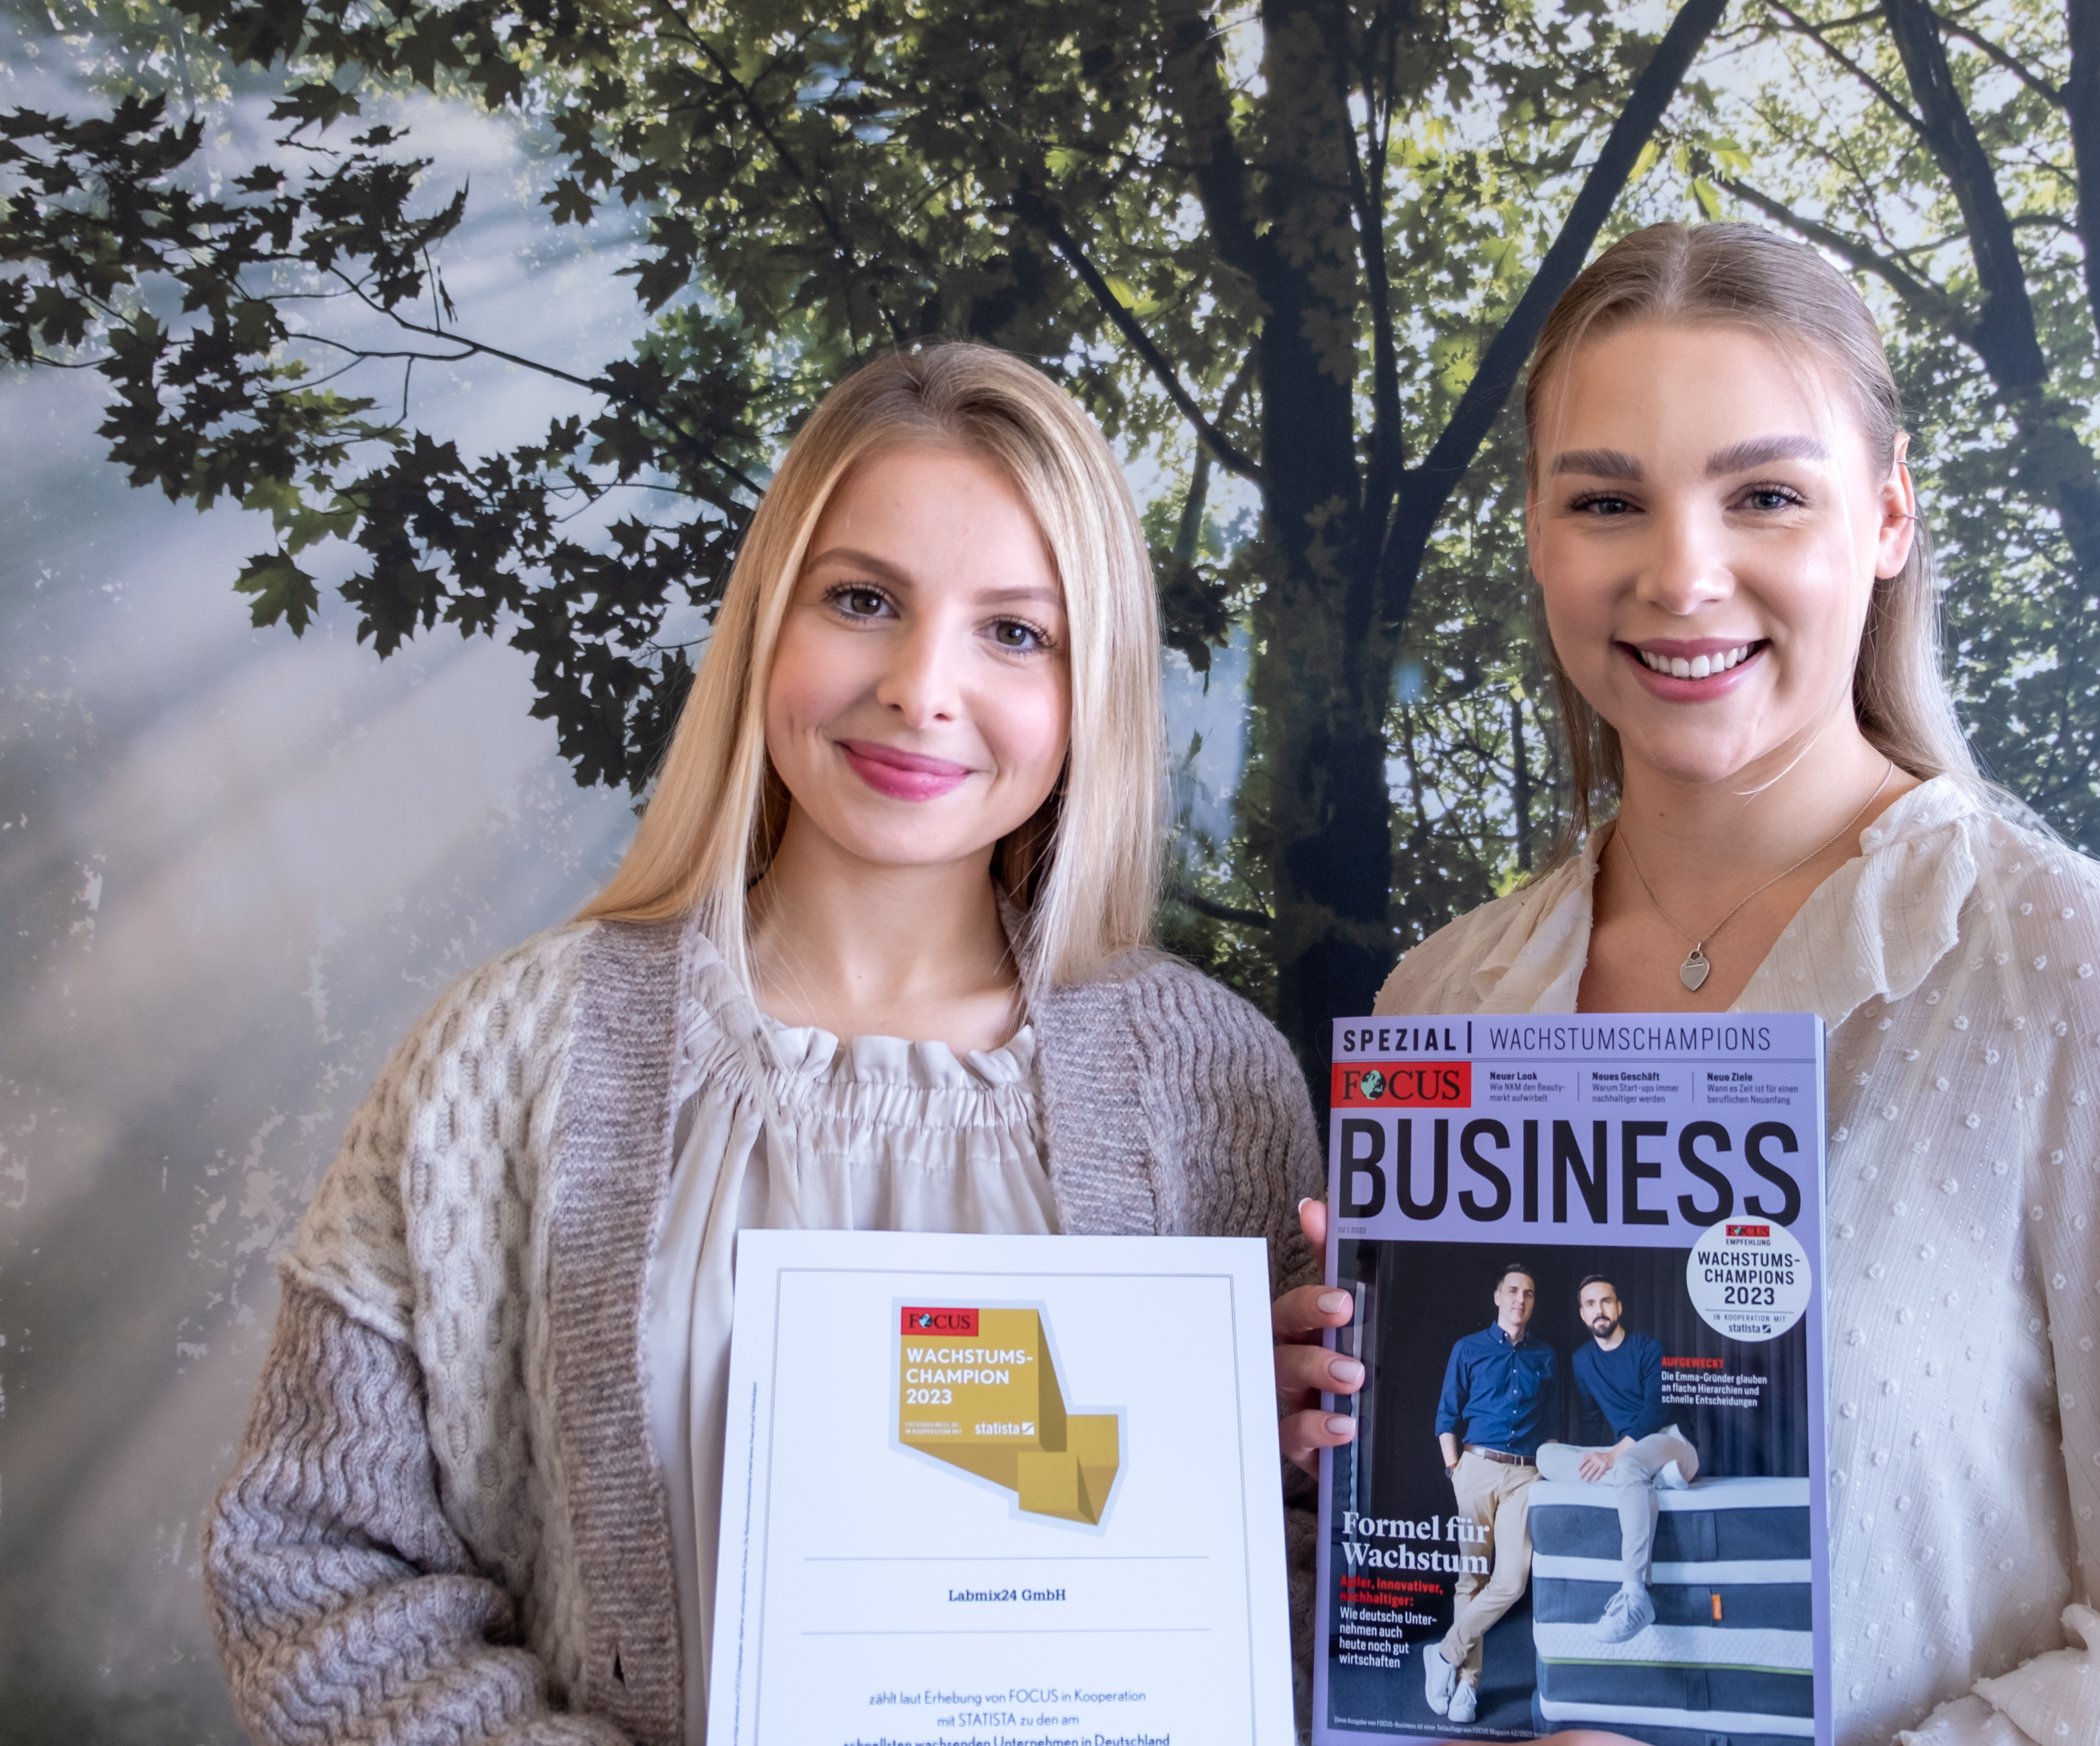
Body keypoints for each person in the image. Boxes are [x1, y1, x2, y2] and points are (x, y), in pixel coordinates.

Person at [1279, 223, 2100, 1745]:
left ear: (1884, 516)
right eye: (1608, 499)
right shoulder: (1441, 1005)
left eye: (1764, 495)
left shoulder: (2070, 975)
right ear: (1541, 539)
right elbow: (1384, 1637)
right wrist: (1307, 1468)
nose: (1683, 574)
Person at [203, 343, 1323, 1746]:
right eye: (863, 599)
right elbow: (310, 1564)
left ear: (1088, 691)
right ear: (765, 624)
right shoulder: (500, 1057)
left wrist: (1248, 1470)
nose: (922, 686)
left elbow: (1312, 1593)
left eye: (1014, 632)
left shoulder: (1213, 1081)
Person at [1424, 1260, 1557, 1725]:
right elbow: (1446, 1417)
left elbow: (1555, 1425)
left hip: (1525, 1475)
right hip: (1475, 1469)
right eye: (1514, 1290)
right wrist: (1455, 1470)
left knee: (1511, 1581)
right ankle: (1467, 1687)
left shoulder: (1546, 1355)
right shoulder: (1468, 1349)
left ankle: (1442, 1656)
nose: (1521, 1299)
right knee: (1470, 1580)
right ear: (1498, 1297)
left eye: (1530, 1293)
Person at [1533, 1274, 1700, 1643]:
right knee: (1546, 1456)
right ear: (1582, 1313)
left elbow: (1657, 1411)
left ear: (1619, 1307)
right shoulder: (1581, 1360)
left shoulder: (1649, 1347)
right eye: (1590, 1304)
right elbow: (1592, 1420)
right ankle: (1641, 1480)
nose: (1599, 1310)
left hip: (1671, 1444)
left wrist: (1612, 1457)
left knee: (1626, 1464)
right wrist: (1598, 1457)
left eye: (1606, 1302)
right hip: (1630, 1458)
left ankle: (1636, 1598)